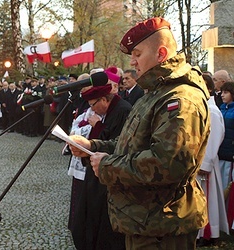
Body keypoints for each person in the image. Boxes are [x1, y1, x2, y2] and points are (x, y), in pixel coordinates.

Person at [69, 17, 210, 249]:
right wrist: (92, 147)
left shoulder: (180, 99)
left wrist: (107, 166)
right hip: (145, 220)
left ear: (161, 53)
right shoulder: (156, 93)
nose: (132, 62)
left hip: (164, 225)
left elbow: (168, 164)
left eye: (137, 53)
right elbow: (131, 145)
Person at [70, 76, 131, 250]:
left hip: (109, 175)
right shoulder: (109, 111)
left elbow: (118, 144)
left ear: (104, 99)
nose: (92, 110)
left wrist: (97, 130)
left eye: (93, 105)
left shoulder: (122, 111)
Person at [196, 75, 229, 247]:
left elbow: (214, 138)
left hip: (205, 162)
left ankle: (208, 232)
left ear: (208, 88)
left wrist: (205, 163)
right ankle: (201, 231)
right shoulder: (203, 107)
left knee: (206, 199)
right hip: (198, 161)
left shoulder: (212, 111)